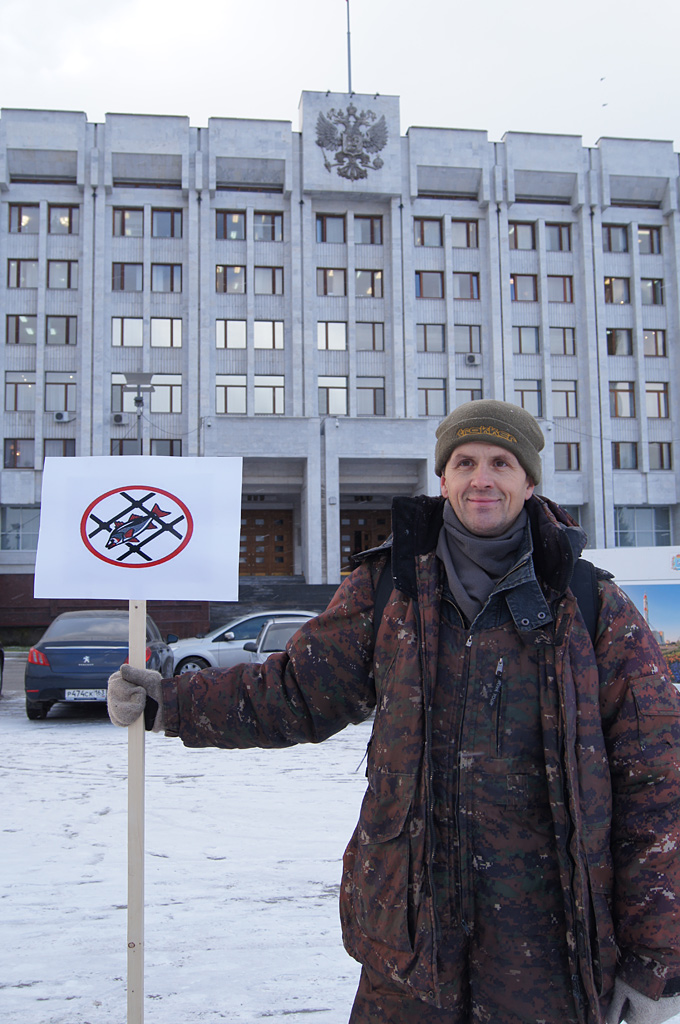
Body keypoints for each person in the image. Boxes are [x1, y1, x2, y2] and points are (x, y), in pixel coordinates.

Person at [108, 399, 680, 1024]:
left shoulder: (590, 604)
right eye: (464, 462)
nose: (481, 479)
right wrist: (172, 701)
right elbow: (296, 691)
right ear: (443, 478)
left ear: (529, 482)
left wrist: (655, 961)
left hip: (548, 955)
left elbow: (656, 784)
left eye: (501, 463)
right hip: (408, 953)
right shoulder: (389, 586)